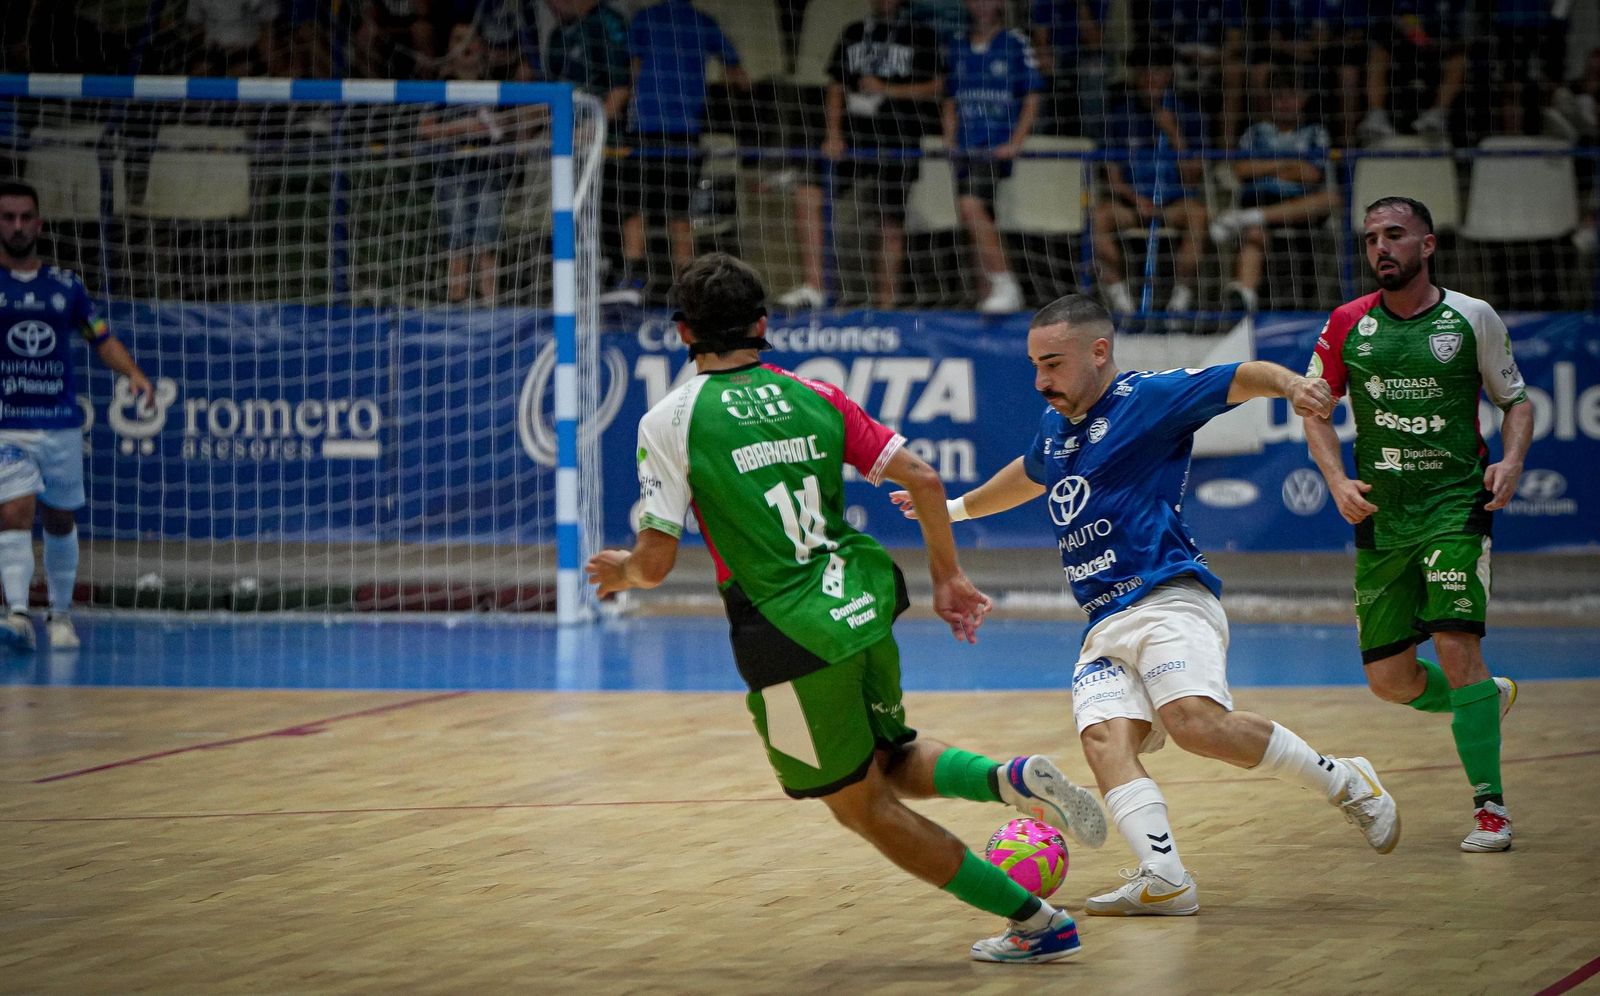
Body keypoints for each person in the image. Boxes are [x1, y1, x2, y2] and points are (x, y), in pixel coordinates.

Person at [587, 252, 1108, 963]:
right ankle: (1006, 779)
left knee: (861, 806)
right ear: (763, 325)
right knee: (886, 760)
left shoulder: (671, 419)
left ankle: (1038, 923)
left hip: (788, 633)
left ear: (682, 333)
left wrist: (620, 570)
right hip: (863, 600)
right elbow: (924, 477)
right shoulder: (815, 395)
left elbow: (655, 564)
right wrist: (947, 578)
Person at [894, 292, 1402, 916]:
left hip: (1167, 598)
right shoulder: (1056, 428)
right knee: (1105, 739)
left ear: (1098, 351)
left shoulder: (1148, 398)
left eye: (1052, 363)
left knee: (1196, 724)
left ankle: (1346, 779)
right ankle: (1165, 878)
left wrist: (1294, 385)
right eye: (1034, 364)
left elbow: (1239, 377)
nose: (1039, 380)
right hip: (1103, 618)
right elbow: (1029, 474)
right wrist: (948, 509)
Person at [1302, 196, 1531, 853]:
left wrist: (1512, 461)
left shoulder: (1471, 318)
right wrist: (1337, 480)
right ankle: (1486, 698)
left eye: (1395, 235)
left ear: (1426, 246)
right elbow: (1316, 407)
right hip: (1382, 514)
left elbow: (1515, 401)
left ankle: (1491, 810)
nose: (1381, 247)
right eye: (1372, 237)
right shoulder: (1348, 322)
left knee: (1458, 649)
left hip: (1456, 506)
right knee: (1390, 682)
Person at [0, 180, 154, 651]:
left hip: (61, 424)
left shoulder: (66, 286)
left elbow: (100, 337)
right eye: (8, 217)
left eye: (26, 217)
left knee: (60, 520)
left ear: (39, 224)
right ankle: (17, 614)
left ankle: (60, 615)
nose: (18, 226)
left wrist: (132, 372)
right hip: (8, 423)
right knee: (14, 510)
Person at [774, 0, 943, 310]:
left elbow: (938, 86)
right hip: (852, 137)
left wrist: (887, 89)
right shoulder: (854, 31)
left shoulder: (921, 34)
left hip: (899, 136)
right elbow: (836, 85)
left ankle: (886, 305)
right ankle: (815, 287)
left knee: (889, 220)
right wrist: (833, 133)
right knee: (808, 190)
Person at [610, 0, 748, 304]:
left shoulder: (647, 18)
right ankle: (685, 285)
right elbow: (738, 73)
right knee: (679, 213)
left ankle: (633, 279)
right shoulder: (702, 21)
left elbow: (631, 71)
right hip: (683, 132)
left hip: (645, 128)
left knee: (637, 207)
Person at [941, 0, 1044, 314]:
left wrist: (1016, 141)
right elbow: (950, 98)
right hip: (965, 148)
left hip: (995, 147)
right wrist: (949, 138)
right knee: (975, 219)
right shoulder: (957, 45)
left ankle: (1006, 283)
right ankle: (986, 294)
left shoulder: (1015, 43)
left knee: (970, 206)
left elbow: (1032, 95)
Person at [1093, 47, 1209, 324]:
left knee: (1197, 216)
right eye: (1142, 71)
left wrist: (1172, 131)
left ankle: (1179, 302)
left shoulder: (1188, 114)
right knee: (1098, 219)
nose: (1149, 78)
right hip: (1132, 204)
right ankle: (1122, 303)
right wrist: (1136, 200)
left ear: (1168, 74)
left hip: (1173, 203)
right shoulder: (1120, 116)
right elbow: (1111, 176)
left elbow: (1193, 175)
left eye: (1156, 70)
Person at [1209, 69, 1339, 313]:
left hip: (1302, 204)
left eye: (1291, 96)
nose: (1284, 102)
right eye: (1278, 96)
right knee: (1255, 233)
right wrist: (1289, 163)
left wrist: (1266, 166)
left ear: (1303, 98)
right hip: (1260, 197)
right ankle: (1245, 296)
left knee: (1331, 198)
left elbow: (1312, 174)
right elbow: (1242, 170)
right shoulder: (1255, 133)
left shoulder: (1315, 132)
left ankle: (1247, 218)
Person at [417, 24, 513, 305]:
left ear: (483, 46)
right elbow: (424, 128)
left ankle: (489, 302)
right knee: (455, 238)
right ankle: (457, 301)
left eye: (473, 38)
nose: (467, 45)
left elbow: (511, 126)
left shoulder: (496, 85)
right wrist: (462, 129)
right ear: (450, 48)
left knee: (487, 238)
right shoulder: (441, 87)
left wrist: (491, 128)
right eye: (459, 39)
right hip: (451, 170)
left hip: (487, 171)